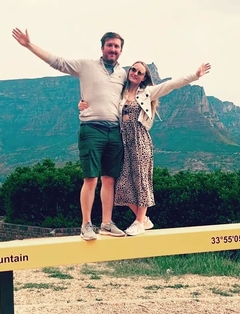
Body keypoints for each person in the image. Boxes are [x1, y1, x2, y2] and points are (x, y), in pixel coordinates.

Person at [11, 28, 128, 241]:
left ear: (121, 50)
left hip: (114, 130)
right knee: (91, 178)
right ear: (102, 48)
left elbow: (139, 93)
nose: (113, 49)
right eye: (109, 45)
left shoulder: (123, 74)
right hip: (92, 128)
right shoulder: (86, 66)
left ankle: (107, 223)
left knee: (109, 179)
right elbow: (57, 62)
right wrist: (29, 45)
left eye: (116, 46)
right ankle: (86, 225)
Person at [79, 61, 211, 236]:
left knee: (142, 181)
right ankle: (145, 218)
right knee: (122, 185)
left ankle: (139, 222)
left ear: (144, 78)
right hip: (123, 142)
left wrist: (195, 75)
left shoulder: (147, 93)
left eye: (139, 72)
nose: (134, 73)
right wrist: (82, 104)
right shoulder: (120, 94)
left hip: (140, 141)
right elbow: (100, 98)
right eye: (133, 69)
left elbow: (171, 85)